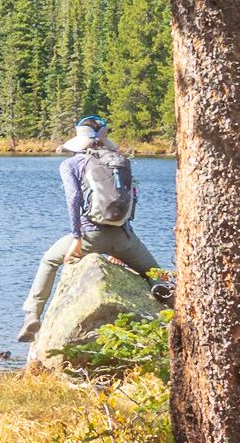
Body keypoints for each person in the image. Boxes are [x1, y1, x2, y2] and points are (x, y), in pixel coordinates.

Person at [16, 116, 157, 344]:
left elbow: (73, 198)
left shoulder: (71, 163)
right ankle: (165, 298)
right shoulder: (120, 160)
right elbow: (132, 197)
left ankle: (33, 314)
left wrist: (76, 236)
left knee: (50, 261)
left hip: (89, 235)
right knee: (155, 274)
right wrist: (122, 234)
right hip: (124, 237)